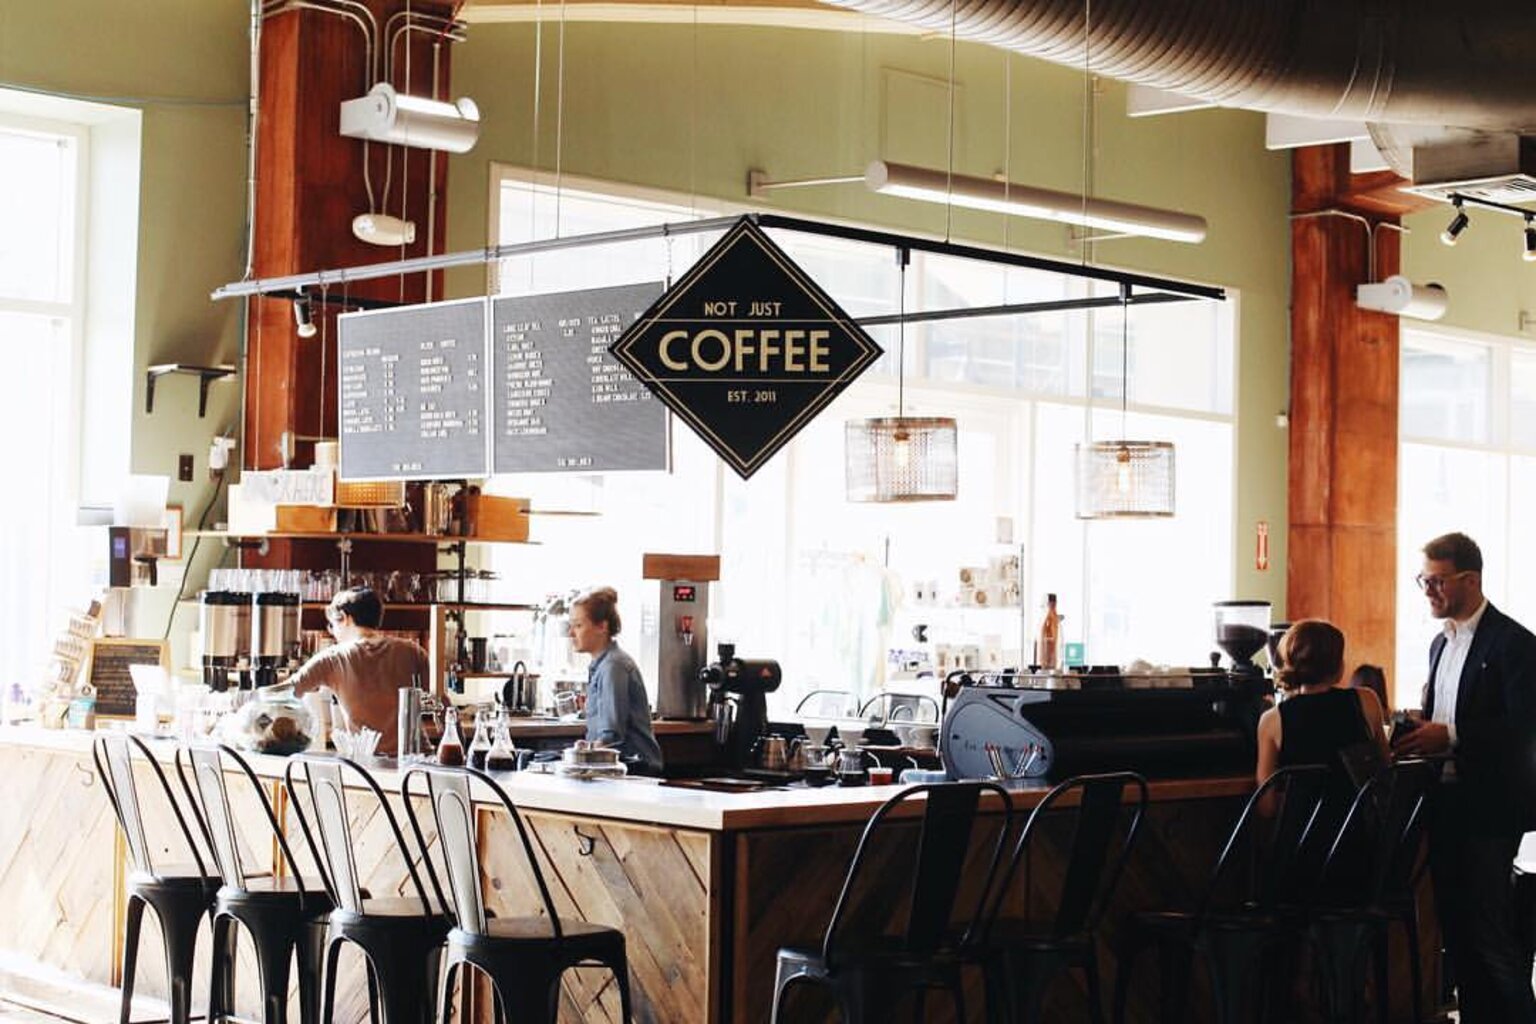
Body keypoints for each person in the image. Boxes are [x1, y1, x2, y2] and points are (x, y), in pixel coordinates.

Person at [1392, 531, 1536, 1023]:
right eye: (1422, 581)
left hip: (1490, 809)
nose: (1427, 591)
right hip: (1444, 803)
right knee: (1456, 935)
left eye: (1436, 581)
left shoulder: (1515, 644)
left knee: (1491, 934)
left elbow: (1525, 728)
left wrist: (1450, 735)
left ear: (1470, 580)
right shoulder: (1440, 644)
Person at [290, 587, 429, 756]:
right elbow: (440, 702)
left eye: (332, 625)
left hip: (368, 763)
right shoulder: (413, 651)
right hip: (417, 759)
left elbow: (289, 690)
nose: (333, 632)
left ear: (346, 618)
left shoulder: (333, 658)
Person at [1256, 619, 1388, 787]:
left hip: (1302, 805)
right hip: (1357, 805)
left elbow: (1266, 799)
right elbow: (1386, 768)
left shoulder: (1272, 720)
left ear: (1289, 663)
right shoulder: (1366, 700)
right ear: (1338, 668)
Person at [569, 586, 663, 775]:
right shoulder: (602, 665)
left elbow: (611, 736)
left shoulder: (613, 666)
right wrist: (587, 746)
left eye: (578, 625)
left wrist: (585, 751)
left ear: (602, 627)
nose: (571, 633)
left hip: (635, 767)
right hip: (620, 764)